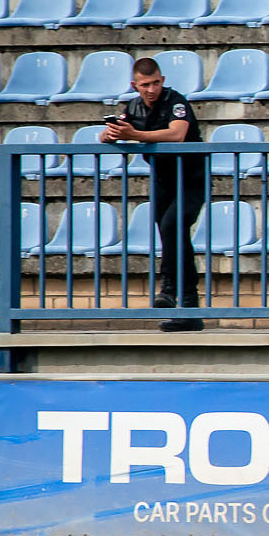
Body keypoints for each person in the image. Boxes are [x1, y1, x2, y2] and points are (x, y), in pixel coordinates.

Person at [97, 56, 207, 332]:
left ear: (163, 81)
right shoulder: (132, 107)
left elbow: (177, 134)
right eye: (145, 84)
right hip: (164, 180)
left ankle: (169, 287)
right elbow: (107, 133)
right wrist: (111, 134)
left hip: (191, 178)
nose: (151, 89)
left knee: (172, 227)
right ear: (135, 85)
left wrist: (135, 135)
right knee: (174, 236)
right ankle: (190, 311)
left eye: (156, 82)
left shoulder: (176, 101)